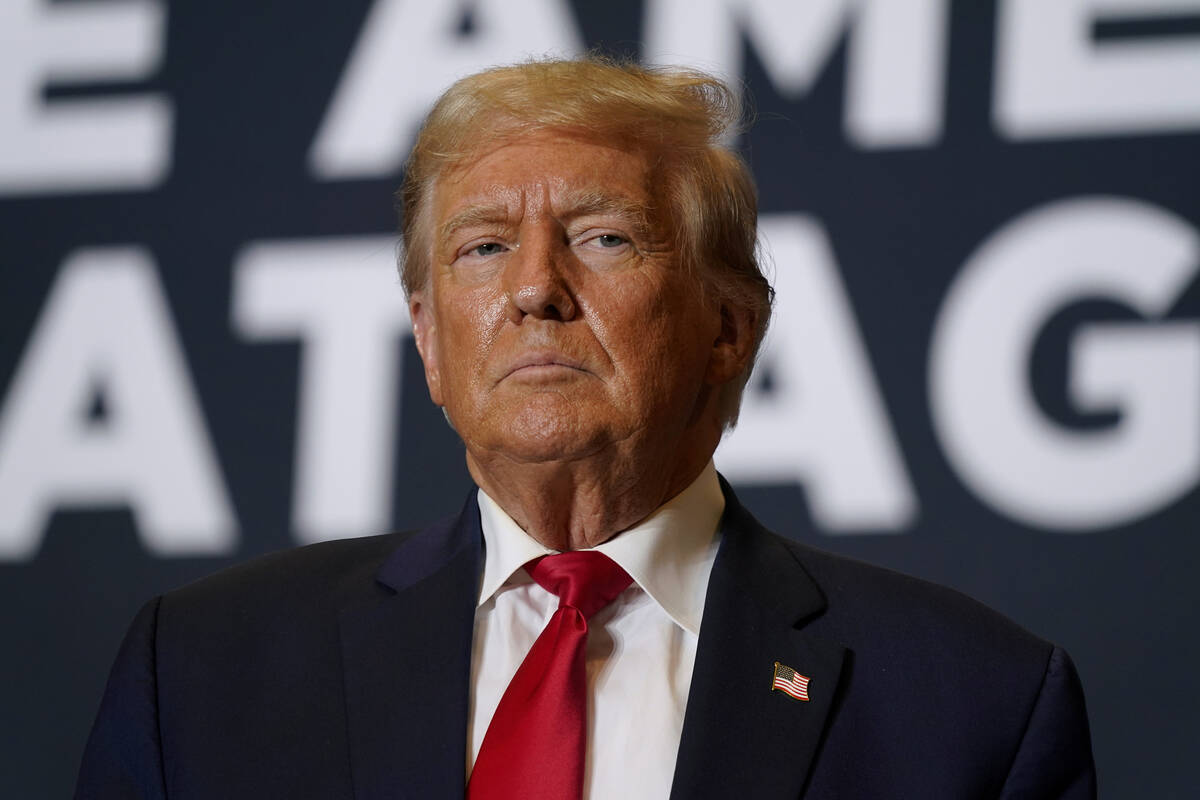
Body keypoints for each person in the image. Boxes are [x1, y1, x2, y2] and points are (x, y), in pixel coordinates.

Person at [76, 58, 1096, 799]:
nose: (532, 288)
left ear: (729, 328)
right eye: (480, 247)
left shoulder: (974, 706)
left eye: (602, 237)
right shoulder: (207, 669)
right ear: (429, 340)